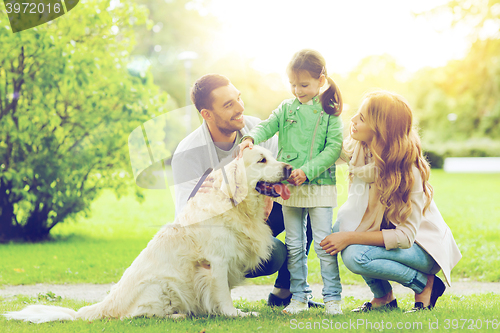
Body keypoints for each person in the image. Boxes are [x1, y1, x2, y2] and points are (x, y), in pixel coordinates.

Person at [171, 73, 320, 308]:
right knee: (275, 255)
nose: (239, 108)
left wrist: (271, 194)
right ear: (206, 114)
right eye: (228, 105)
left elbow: (280, 172)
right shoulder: (188, 153)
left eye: (238, 98)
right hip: (217, 231)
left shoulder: (256, 129)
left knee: (309, 206)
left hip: (258, 212)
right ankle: (214, 293)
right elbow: (185, 220)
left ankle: (285, 292)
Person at [320, 90, 462, 312]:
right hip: (391, 235)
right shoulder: (361, 148)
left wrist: (348, 237)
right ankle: (384, 298)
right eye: (357, 114)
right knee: (342, 227)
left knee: (355, 255)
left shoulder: (408, 171)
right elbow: (324, 154)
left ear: (381, 130)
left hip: (422, 248)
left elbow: (405, 237)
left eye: (362, 118)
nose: (353, 121)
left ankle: (425, 284)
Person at [239, 49, 344, 315]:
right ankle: (299, 296)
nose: (298, 90)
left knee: (323, 245)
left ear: (322, 80)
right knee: (295, 246)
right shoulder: (286, 109)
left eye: (304, 84)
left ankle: (333, 298)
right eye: (293, 84)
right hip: (290, 191)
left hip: (319, 188)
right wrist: (250, 138)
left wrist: (307, 171)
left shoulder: (330, 112)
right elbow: (266, 125)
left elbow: (332, 149)